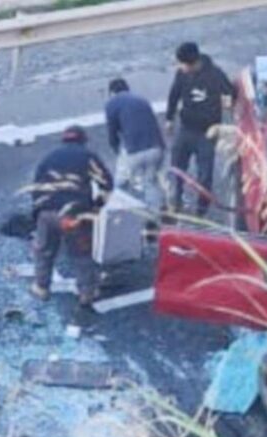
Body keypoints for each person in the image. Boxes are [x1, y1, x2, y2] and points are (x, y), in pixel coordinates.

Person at [30, 126, 113, 309]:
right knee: (81, 253)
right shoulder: (88, 156)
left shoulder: (49, 157)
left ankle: (41, 287)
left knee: (44, 251)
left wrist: (38, 213)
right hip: (73, 215)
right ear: (83, 140)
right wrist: (95, 208)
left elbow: (36, 188)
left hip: (47, 212)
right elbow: (107, 184)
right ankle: (87, 293)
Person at [165, 41, 235, 217]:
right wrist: (169, 118)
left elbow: (231, 92)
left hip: (207, 133)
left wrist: (227, 102)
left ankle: (200, 211)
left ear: (193, 62)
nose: (180, 67)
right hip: (186, 128)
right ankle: (176, 200)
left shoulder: (215, 74)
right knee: (177, 167)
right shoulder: (181, 74)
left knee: (204, 175)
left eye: (183, 64)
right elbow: (174, 94)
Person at [106, 77, 166, 213]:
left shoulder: (112, 103)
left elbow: (112, 133)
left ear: (111, 93)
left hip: (134, 150)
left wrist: (116, 151)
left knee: (121, 183)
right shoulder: (142, 100)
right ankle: (155, 215)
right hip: (157, 148)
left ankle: (118, 213)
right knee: (150, 182)